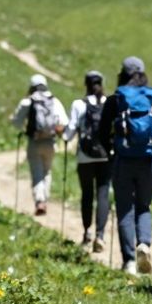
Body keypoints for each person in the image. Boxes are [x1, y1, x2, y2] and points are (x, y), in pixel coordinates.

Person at [97, 56, 152, 276]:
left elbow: (102, 132)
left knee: (124, 209)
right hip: (148, 161)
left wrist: (110, 152)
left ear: (122, 73)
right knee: (144, 205)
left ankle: (129, 261)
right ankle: (145, 244)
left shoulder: (116, 99)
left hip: (122, 160)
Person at [63, 71, 111, 253]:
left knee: (87, 195)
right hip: (106, 155)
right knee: (103, 195)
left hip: (85, 156)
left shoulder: (78, 104)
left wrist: (65, 137)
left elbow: (70, 131)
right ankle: (100, 235)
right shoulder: (109, 103)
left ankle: (86, 232)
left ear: (86, 84)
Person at [10, 74, 67, 217]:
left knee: (37, 172)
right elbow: (64, 121)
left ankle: (40, 200)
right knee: (47, 171)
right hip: (50, 142)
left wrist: (25, 130)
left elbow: (16, 122)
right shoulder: (54, 101)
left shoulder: (28, 102)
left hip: (34, 142)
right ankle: (45, 199)